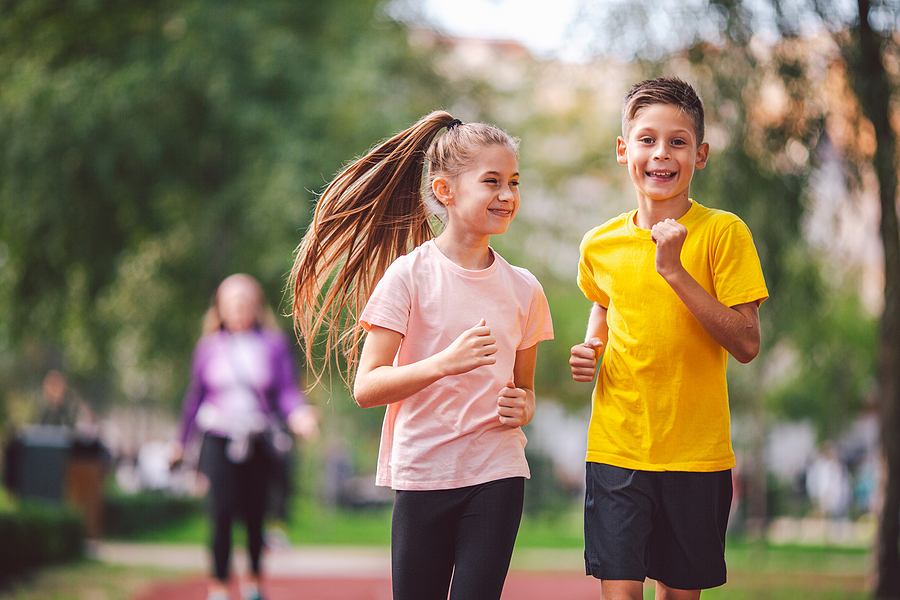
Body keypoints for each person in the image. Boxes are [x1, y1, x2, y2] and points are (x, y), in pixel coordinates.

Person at [290, 111, 554, 600]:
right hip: (424, 472)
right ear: (446, 190)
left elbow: (525, 393)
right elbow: (367, 387)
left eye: (514, 182)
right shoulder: (408, 276)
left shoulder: (525, 289)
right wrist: (444, 363)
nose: (507, 195)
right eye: (492, 181)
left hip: (497, 471)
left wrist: (526, 407)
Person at [569, 77, 768, 600]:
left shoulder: (725, 233)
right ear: (623, 150)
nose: (662, 154)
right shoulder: (599, 244)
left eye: (678, 142)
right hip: (617, 449)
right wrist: (592, 346)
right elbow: (604, 303)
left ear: (699, 155)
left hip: (696, 458)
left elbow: (747, 343)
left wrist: (676, 272)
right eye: (648, 139)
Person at [171, 273, 318, 600]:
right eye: (231, 303)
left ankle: (253, 584)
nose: (238, 309)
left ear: (256, 306)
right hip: (218, 440)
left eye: (245, 302)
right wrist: (180, 442)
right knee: (220, 514)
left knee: (255, 515)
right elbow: (194, 399)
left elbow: (287, 392)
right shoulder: (208, 347)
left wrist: (300, 415)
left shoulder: (273, 345)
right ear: (220, 308)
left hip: (258, 441)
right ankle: (219, 588)